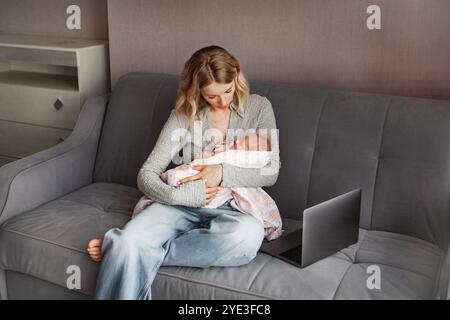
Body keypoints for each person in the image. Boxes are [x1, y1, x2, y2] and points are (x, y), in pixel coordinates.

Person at [88, 45, 281, 299]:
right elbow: (146, 174)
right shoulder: (183, 116)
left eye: (228, 90)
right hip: (179, 201)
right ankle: (127, 249)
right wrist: (183, 197)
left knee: (246, 238)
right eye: (212, 96)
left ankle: (123, 251)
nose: (223, 101)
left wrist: (221, 173)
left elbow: (271, 171)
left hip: (233, 208)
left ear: (237, 76)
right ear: (197, 91)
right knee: (131, 242)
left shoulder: (259, 108)